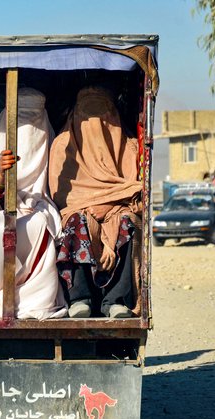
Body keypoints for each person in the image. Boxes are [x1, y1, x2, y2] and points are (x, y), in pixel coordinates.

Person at [48, 86, 142, 318]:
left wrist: (108, 205)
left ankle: (116, 300)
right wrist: (89, 207)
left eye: (103, 115)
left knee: (127, 222)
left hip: (117, 209)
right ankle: (80, 298)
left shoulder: (128, 145)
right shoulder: (63, 144)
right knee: (75, 223)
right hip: (78, 208)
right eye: (88, 116)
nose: (97, 125)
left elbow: (135, 188)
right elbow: (60, 195)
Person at [0, 88, 67, 319]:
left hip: (38, 206)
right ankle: (0, 298)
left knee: (39, 223)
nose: (29, 124)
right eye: (22, 114)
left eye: (34, 114)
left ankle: (38, 302)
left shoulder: (51, 139)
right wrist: (1, 175)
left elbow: (52, 185)